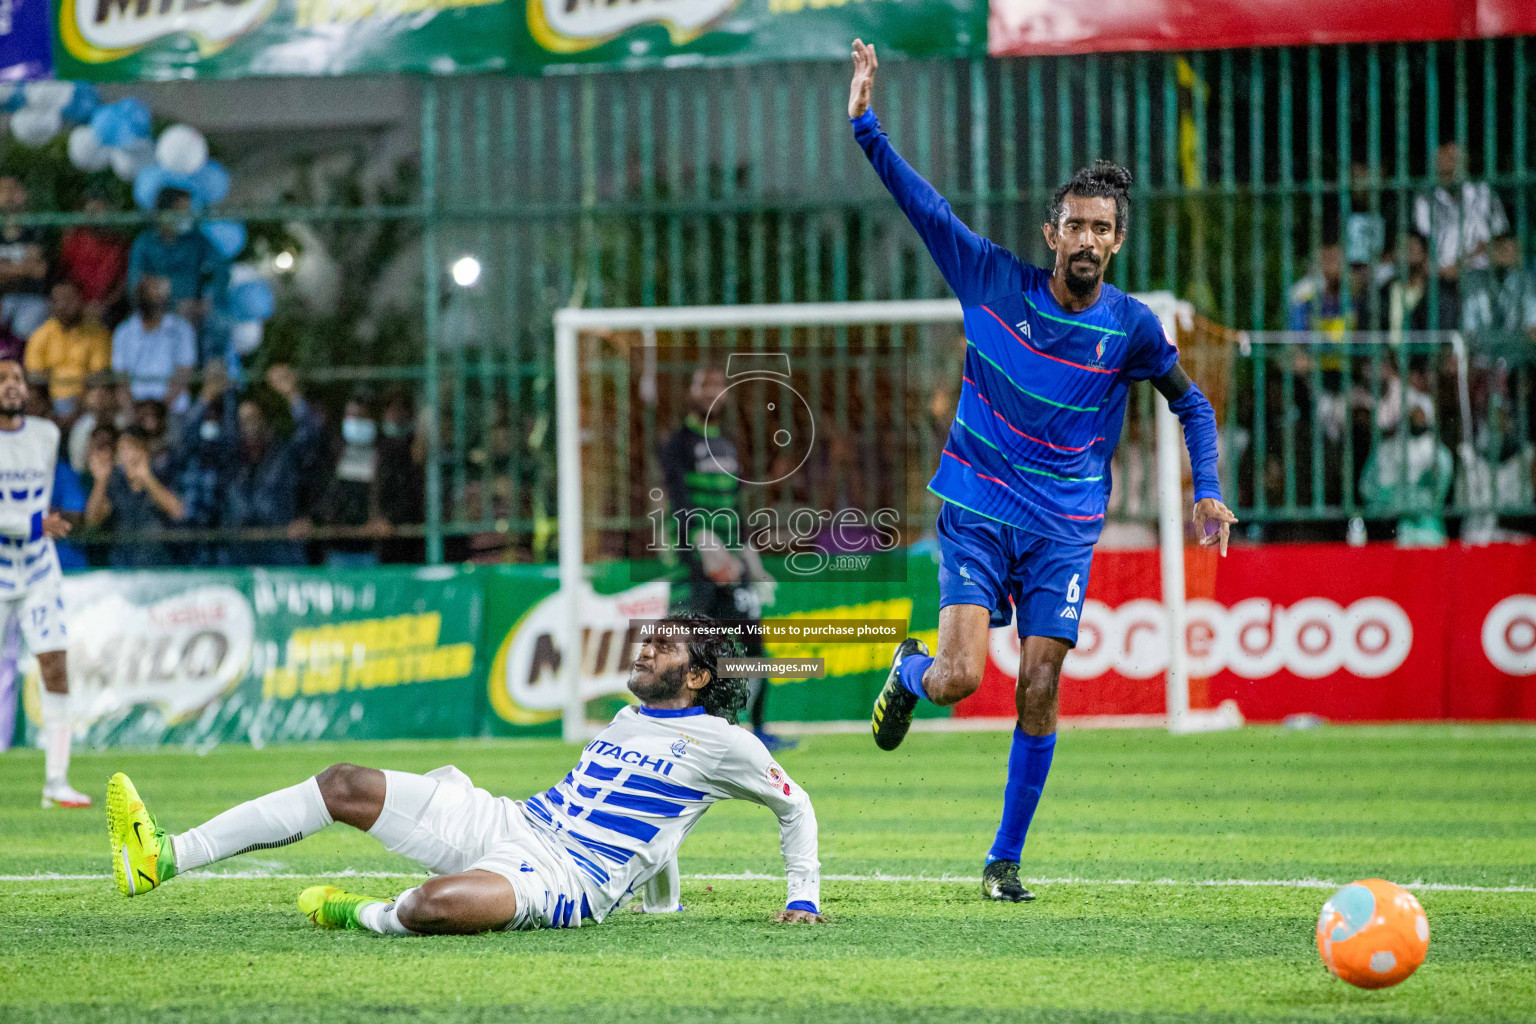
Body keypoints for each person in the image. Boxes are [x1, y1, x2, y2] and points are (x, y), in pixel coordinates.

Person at [847, 40, 1234, 903]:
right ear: (1051, 232)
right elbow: (925, 207)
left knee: (1041, 682)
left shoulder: (1132, 327)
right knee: (959, 678)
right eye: (1077, 225)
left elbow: (1193, 404)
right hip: (978, 511)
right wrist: (867, 124)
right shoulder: (990, 280)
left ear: (1117, 241)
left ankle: (1004, 861)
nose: (1088, 238)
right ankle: (908, 675)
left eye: (1104, 228)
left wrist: (1206, 485)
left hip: (1062, 528)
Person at [106, 616, 823, 933]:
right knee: (344, 783)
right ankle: (163, 855)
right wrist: (663, 905)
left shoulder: (729, 744)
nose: (644, 647)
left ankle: (362, 913)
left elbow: (796, 809)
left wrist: (804, 900)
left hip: (563, 880)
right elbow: (659, 828)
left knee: (430, 907)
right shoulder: (626, 721)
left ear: (696, 675)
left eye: (663, 646)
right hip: (512, 822)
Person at [657, 364, 791, 751]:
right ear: (691, 392)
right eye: (705, 384)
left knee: (754, 651)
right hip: (694, 569)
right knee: (682, 653)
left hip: (733, 570)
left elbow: (735, 510)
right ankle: (670, 730)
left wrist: (752, 564)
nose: (713, 391)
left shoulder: (728, 445)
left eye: (719, 385)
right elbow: (681, 505)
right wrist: (708, 553)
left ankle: (760, 729)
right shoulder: (677, 443)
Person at [0, 356, 92, 808]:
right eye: (2, 380)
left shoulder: (46, 435)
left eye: (16, 378)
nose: (11, 386)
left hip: (38, 571)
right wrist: (33, 524)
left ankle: (56, 782)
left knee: (55, 664)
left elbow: (61, 501)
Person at [224, 365, 322, 566]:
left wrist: (291, 395)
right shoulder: (230, 460)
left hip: (280, 552)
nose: (248, 426)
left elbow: (311, 435)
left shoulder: (283, 455)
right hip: (238, 557)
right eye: (242, 421)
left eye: (253, 419)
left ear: (265, 422)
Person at [127, 188, 229, 340]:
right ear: (164, 213)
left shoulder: (196, 240)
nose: (187, 215)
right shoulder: (144, 243)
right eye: (181, 210)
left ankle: (213, 363)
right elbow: (135, 284)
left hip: (196, 307)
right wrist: (170, 302)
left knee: (219, 321)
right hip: (159, 308)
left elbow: (221, 269)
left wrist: (207, 300)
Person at [85, 426, 185, 568]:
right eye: (122, 450)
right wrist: (100, 482)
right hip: (123, 567)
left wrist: (146, 477)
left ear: (144, 452)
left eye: (131, 448)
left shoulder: (162, 476)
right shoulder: (114, 483)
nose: (125, 455)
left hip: (160, 567)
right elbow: (92, 520)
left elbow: (177, 511)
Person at [311, 392, 390, 567]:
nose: (356, 421)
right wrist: (324, 520)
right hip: (336, 547)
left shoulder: (385, 455)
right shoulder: (332, 453)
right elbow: (321, 494)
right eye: (352, 416)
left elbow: (396, 494)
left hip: (373, 549)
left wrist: (386, 518)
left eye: (362, 417)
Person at [24, 282, 112, 419]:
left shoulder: (97, 333)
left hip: (84, 397)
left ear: (81, 300)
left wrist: (80, 400)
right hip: (49, 398)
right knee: (30, 398)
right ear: (51, 305)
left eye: (69, 299)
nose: (64, 305)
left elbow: (98, 374)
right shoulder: (40, 335)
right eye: (58, 300)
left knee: (99, 397)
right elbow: (35, 377)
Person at [111, 275, 197, 405]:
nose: (155, 296)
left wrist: (160, 408)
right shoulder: (123, 331)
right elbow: (121, 377)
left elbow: (184, 372)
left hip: (172, 407)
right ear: (139, 295)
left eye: (159, 292)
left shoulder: (182, 329)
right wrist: (135, 411)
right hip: (135, 408)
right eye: (150, 292)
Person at [58, 187, 128, 326]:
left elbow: (123, 283)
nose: (96, 215)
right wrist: (80, 306)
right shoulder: (73, 240)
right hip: (76, 306)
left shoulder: (119, 245)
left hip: (109, 309)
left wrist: (105, 305)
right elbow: (64, 277)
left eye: (101, 210)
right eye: (92, 211)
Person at [0, 175, 52, 343]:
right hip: (3, 297)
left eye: (12, 190)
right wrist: (24, 267)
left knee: (25, 326)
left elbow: (39, 270)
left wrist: (6, 268)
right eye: (3, 191)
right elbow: (31, 267)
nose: (8, 197)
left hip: (31, 296)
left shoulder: (35, 228)